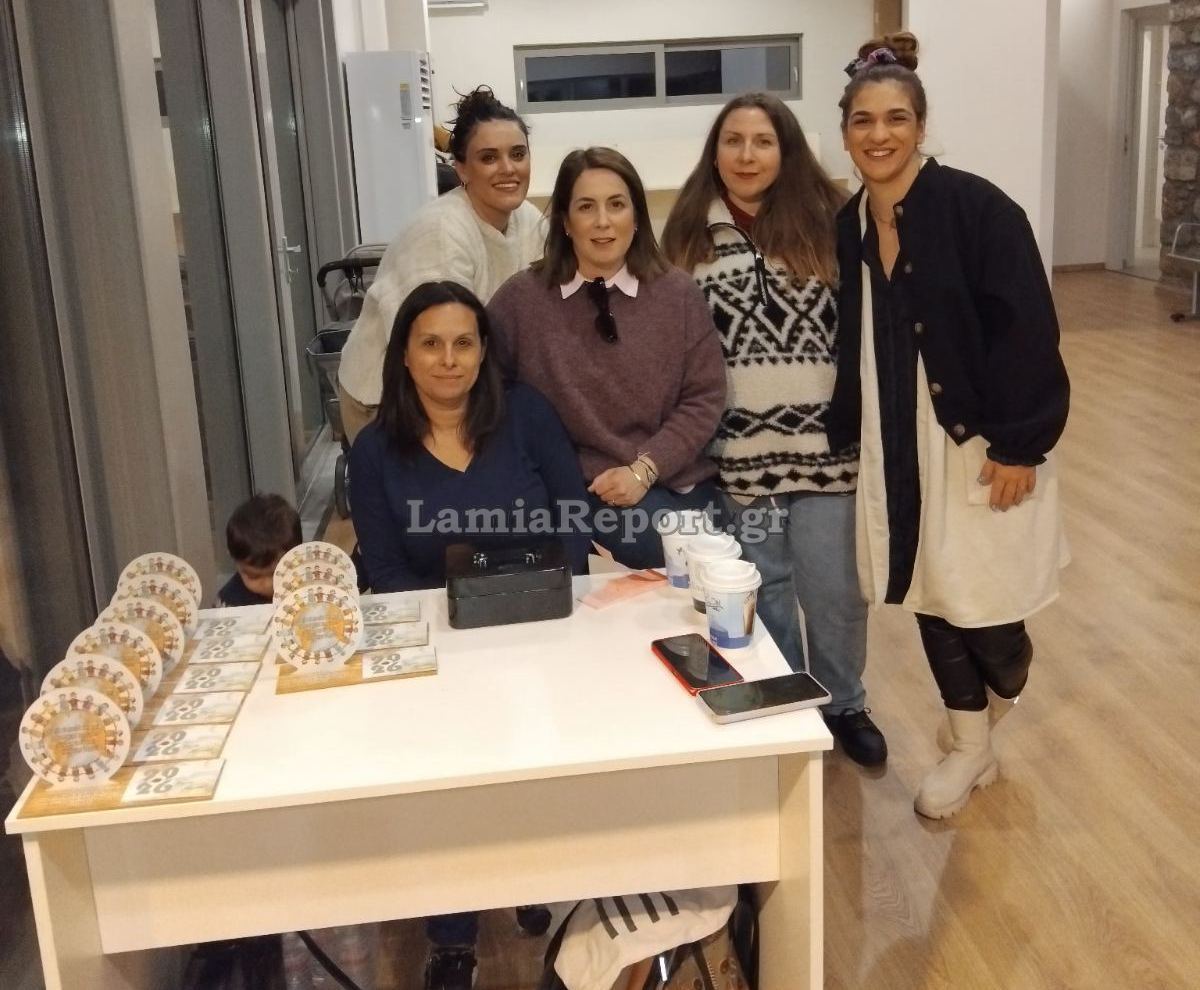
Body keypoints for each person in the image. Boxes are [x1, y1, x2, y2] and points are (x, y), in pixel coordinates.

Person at [827, 34, 1070, 818]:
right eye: (863, 121)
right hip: (895, 437)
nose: (879, 135)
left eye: (895, 119)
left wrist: (1021, 443)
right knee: (932, 590)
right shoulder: (848, 223)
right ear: (845, 133)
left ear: (921, 125)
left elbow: (1029, 329)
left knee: (990, 609)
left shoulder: (980, 210)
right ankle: (969, 746)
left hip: (978, 438)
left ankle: (995, 702)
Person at [661, 93, 885, 767]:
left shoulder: (832, 223)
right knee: (768, 589)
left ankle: (845, 704)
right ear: (714, 153)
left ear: (786, 152)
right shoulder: (686, 239)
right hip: (738, 456)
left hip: (828, 452)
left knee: (836, 591)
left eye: (763, 141)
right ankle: (789, 701)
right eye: (733, 141)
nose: (747, 154)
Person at [487, 147, 727, 569]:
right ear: (565, 222)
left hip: (675, 478)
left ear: (636, 218)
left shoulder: (678, 294)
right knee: (660, 545)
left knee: (717, 549)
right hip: (585, 489)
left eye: (616, 205)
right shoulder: (521, 300)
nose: (603, 221)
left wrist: (644, 469)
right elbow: (487, 395)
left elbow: (704, 398)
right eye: (586, 207)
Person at [336, 86, 545, 445]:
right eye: (489, 158)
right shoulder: (441, 234)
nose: (508, 168)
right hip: (391, 398)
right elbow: (435, 352)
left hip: (473, 380)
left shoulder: (527, 218)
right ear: (461, 168)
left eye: (517, 154)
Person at [216, 494, 302, 607]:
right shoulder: (229, 602)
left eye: (280, 572)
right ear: (235, 561)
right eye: (254, 576)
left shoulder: (315, 582)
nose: (269, 584)